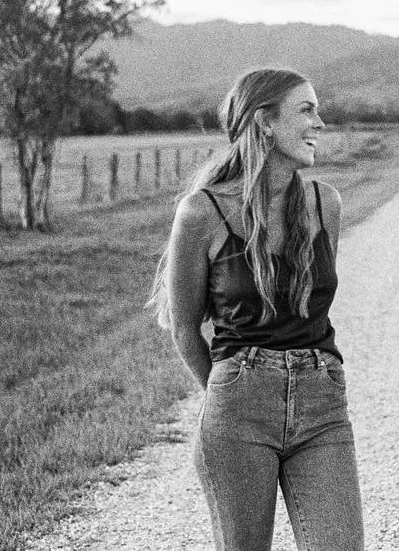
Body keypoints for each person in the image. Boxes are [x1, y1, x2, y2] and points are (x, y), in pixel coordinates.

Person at [148, 68, 363, 550]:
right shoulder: (202, 212)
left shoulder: (325, 203)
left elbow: (311, 306)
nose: (320, 122)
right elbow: (184, 327)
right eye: (306, 110)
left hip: (322, 400)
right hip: (239, 404)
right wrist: (228, 396)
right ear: (264, 122)